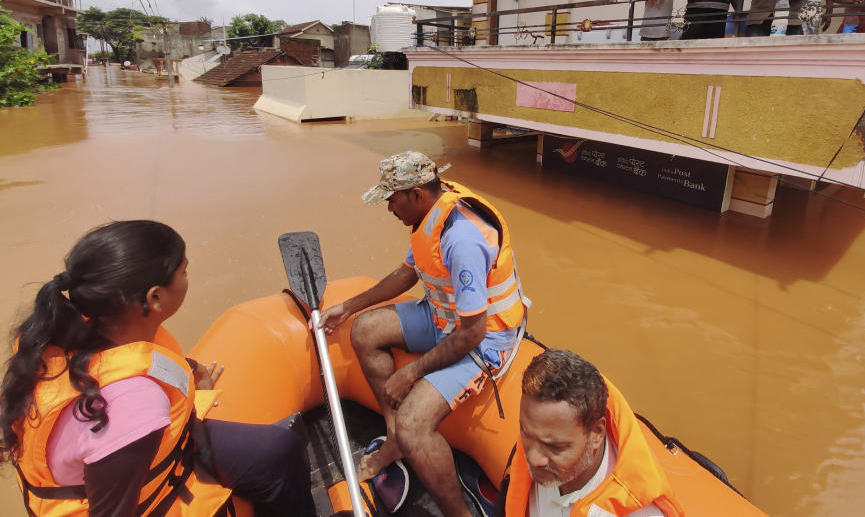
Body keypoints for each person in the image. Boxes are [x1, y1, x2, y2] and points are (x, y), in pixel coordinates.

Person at [0, 220, 315, 517]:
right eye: (184, 271)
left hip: (156, 450)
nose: (187, 278)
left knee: (279, 448)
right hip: (134, 484)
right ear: (155, 298)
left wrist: (189, 378)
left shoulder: (59, 332)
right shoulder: (133, 406)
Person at [317, 151, 529, 517]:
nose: (388, 208)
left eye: (391, 199)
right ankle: (394, 436)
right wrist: (350, 306)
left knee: (416, 423)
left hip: (485, 338)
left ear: (417, 194)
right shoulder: (429, 213)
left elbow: (474, 331)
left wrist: (410, 374)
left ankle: (457, 511)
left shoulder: (462, 240)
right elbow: (408, 272)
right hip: (442, 315)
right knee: (365, 329)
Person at [502, 349, 682, 517]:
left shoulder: (640, 513)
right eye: (525, 432)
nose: (533, 458)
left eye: (554, 446)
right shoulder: (542, 433)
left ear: (596, 434)